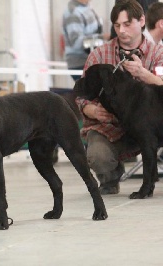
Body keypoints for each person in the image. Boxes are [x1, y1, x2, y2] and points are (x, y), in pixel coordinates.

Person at [76, 0, 163, 195]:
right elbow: (81, 93)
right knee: (99, 156)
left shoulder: (159, 53)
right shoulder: (98, 55)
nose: (121, 30)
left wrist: (144, 75)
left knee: (150, 136)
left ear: (141, 21)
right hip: (110, 128)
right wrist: (89, 109)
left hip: (149, 127)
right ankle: (110, 178)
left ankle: (150, 181)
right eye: (117, 25)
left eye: (127, 24)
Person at [62, 0, 104, 81]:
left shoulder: (87, 7)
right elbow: (77, 43)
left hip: (92, 61)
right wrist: (102, 37)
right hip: (80, 62)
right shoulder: (73, 13)